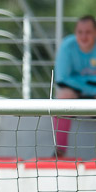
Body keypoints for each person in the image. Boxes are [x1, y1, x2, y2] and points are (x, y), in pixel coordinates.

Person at [53, 15, 96, 157]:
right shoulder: (67, 46)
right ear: (75, 32)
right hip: (75, 95)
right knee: (63, 97)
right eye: (80, 32)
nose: (84, 37)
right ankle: (60, 151)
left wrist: (79, 81)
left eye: (88, 32)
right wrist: (90, 84)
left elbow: (69, 78)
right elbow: (62, 79)